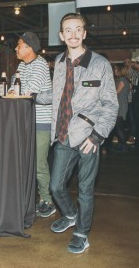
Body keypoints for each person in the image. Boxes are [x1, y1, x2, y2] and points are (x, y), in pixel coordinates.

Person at [36, 13, 118, 253]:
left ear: (84, 33)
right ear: (61, 35)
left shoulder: (100, 64)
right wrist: (35, 97)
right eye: (67, 30)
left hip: (88, 137)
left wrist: (97, 136)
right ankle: (70, 215)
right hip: (63, 135)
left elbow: (111, 104)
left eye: (77, 29)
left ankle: (81, 233)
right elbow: (61, 95)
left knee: (85, 189)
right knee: (55, 187)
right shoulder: (60, 61)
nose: (72, 34)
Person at [8, 32, 54, 217]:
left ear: (29, 48)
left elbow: (28, 92)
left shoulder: (41, 64)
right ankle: (31, 197)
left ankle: (47, 200)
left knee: (39, 164)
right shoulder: (22, 65)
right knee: (26, 162)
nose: (16, 48)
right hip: (25, 121)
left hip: (41, 122)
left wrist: (15, 91)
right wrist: (14, 90)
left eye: (19, 45)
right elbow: (13, 87)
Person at [112, 64, 131, 152]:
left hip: (121, 105)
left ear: (120, 70)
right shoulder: (120, 79)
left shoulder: (122, 80)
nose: (114, 71)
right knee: (117, 127)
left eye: (115, 69)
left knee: (119, 127)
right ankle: (120, 145)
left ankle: (124, 146)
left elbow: (116, 92)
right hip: (118, 104)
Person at [124, 57, 139, 145]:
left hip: (131, 99)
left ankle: (133, 136)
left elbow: (134, 86)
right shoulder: (124, 72)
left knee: (133, 118)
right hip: (124, 99)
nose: (126, 64)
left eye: (128, 62)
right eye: (125, 62)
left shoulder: (135, 72)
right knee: (125, 118)